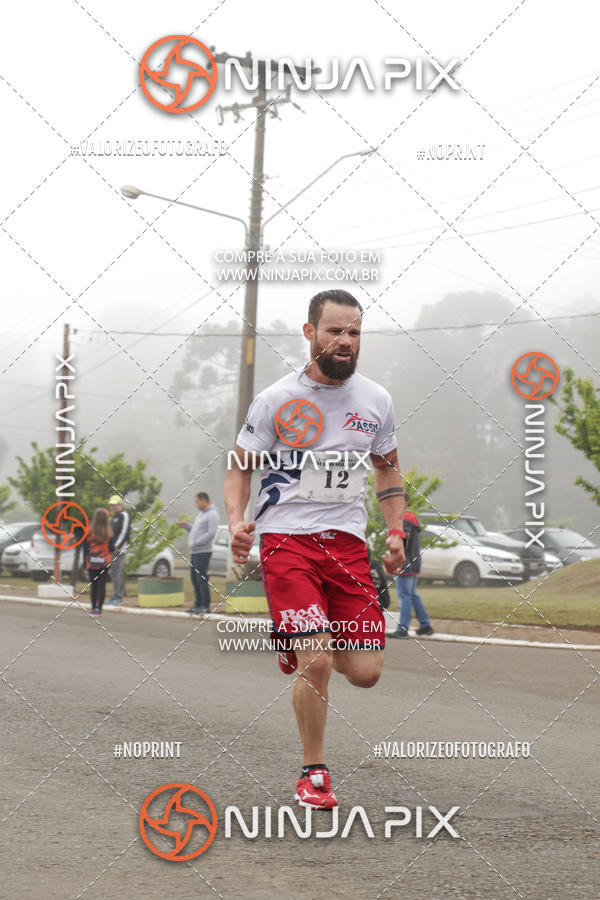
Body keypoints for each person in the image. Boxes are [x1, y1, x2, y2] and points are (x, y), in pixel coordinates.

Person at [224, 288, 406, 810]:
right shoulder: (277, 400)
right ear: (310, 333)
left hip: (347, 546)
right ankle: (314, 772)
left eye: (354, 332)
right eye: (334, 330)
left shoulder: (376, 400)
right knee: (319, 661)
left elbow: (387, 467)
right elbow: (241, 467)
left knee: (366, 673)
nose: (345, 341)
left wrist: (396, 530)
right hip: (287, 542)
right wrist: (237, 522)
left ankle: (294, 640)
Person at [392, 496, 434, 638]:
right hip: (413, 563)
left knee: (405, 597)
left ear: (406, 502)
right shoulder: (411, 518)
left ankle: (402, 629)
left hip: (404, 564)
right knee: (413, 595)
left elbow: (404, 542)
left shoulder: (404, 520)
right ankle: (425, 625)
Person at [178, 493, 219, 615]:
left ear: (203, 501)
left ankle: (205, 606)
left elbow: (211, 533)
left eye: (197, 502)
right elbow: (196, 530)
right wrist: (186, 526)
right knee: (194, 579)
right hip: (195, 552)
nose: (196, 505)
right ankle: (198, 604)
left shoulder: (212, 514)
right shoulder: (201, 514)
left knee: (201, 579)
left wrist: (196, 542)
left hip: (203, 551)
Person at [82, 508, 113, 616]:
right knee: (102, 586)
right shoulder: (108, 533)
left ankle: (93, 608)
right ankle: (99, 609)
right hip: (104, 562)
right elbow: (112, 548)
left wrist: (84, 561)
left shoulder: (88, 532)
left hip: (92, 562)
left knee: (94, 586)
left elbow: (85, 548)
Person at [106, 495, 130, 606]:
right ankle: (116, 596)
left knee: (116, 572)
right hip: (113, 549)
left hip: (120, 549)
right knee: (114, 572)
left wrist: (117, 545)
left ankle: (118, 597)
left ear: (120, 505)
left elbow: (124, 532)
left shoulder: (124, 515)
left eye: (115, 504)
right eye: (112, 505)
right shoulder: (114, 518)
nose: (113, 507)